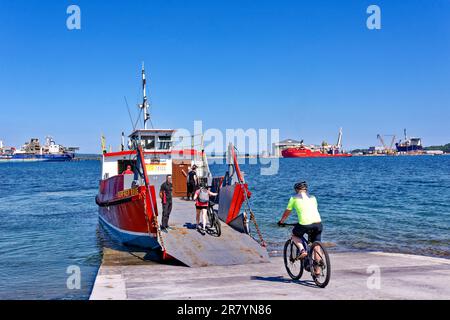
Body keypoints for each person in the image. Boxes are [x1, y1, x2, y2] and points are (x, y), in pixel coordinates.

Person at [278, 181, 322, 275]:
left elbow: (287, 212)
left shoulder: (293, 198)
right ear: (306, 190)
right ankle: (318, 270)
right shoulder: (313, 197)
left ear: (296, 190)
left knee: (294, 235)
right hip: (318, 223)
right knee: (316, 245)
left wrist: (281, 221)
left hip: (305, 224)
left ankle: (302, 250)